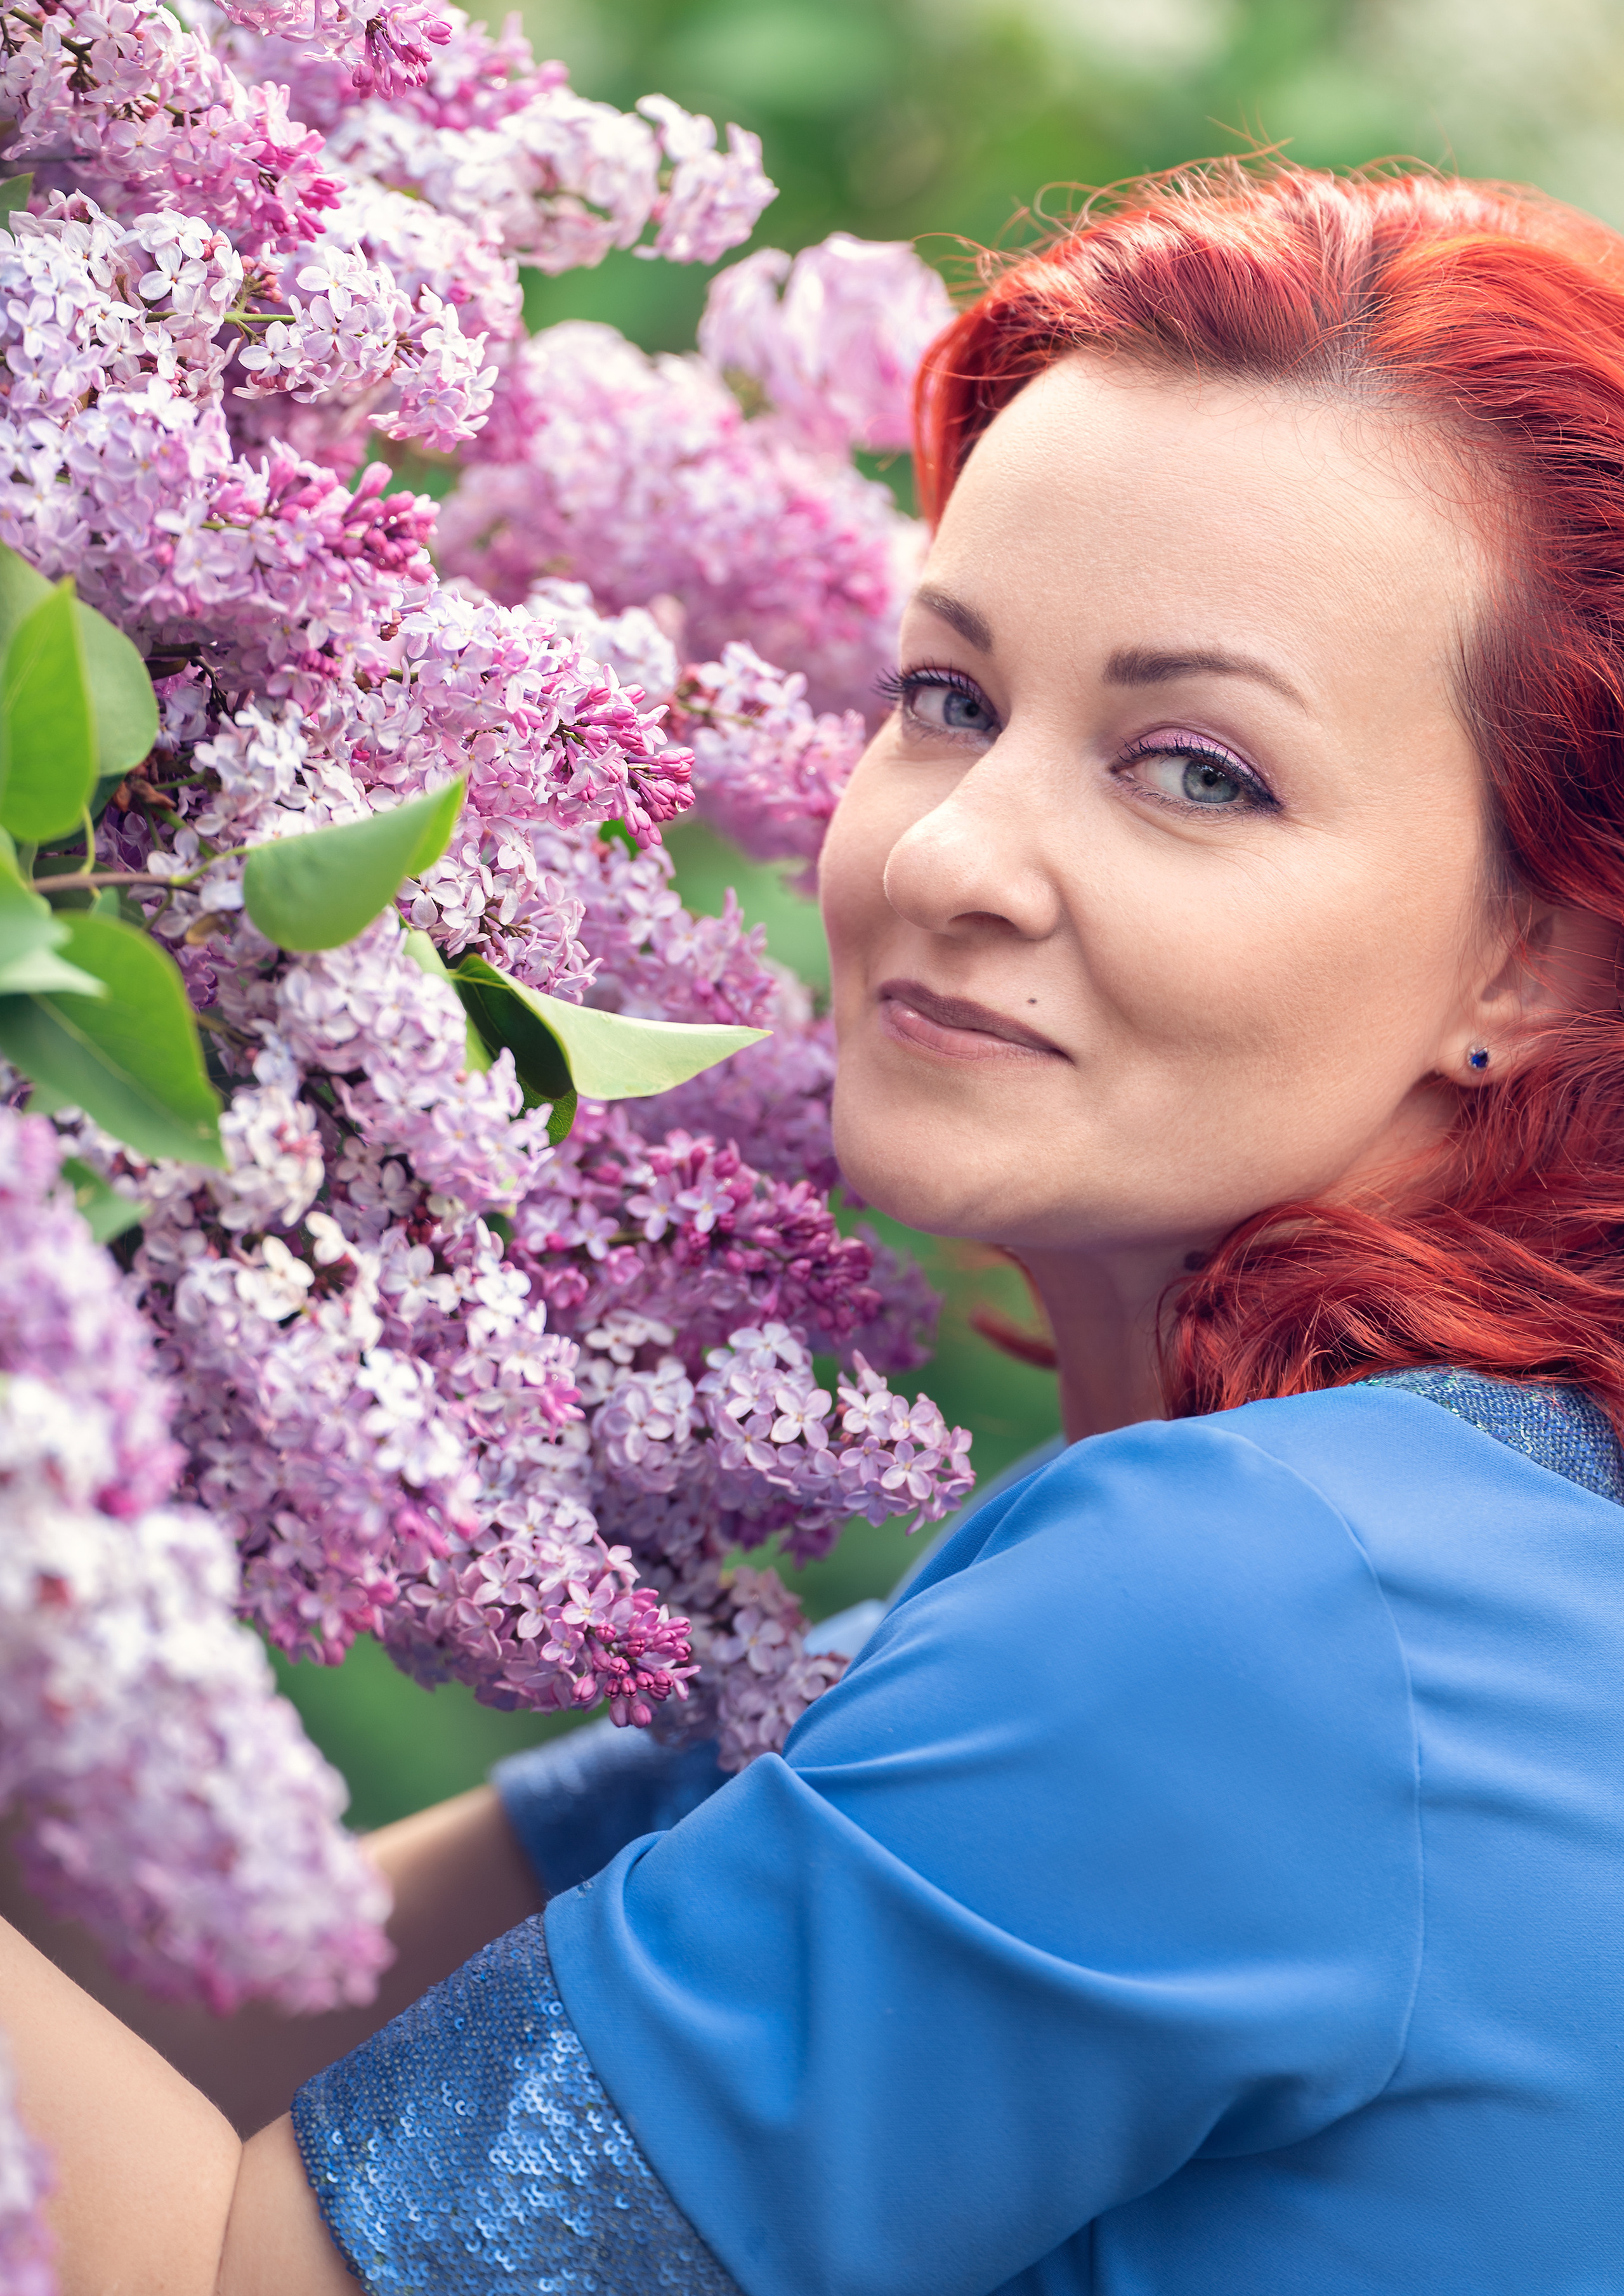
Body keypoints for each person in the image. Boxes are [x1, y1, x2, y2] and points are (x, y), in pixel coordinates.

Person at [10, 157, 1624, 2294]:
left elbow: (222, 2275)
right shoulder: (1374, 1573)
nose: (954, 851)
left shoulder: (1254, 1624)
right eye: (949, 698)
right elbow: (226, 1981)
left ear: (1538, 953)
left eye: (1195, 769)